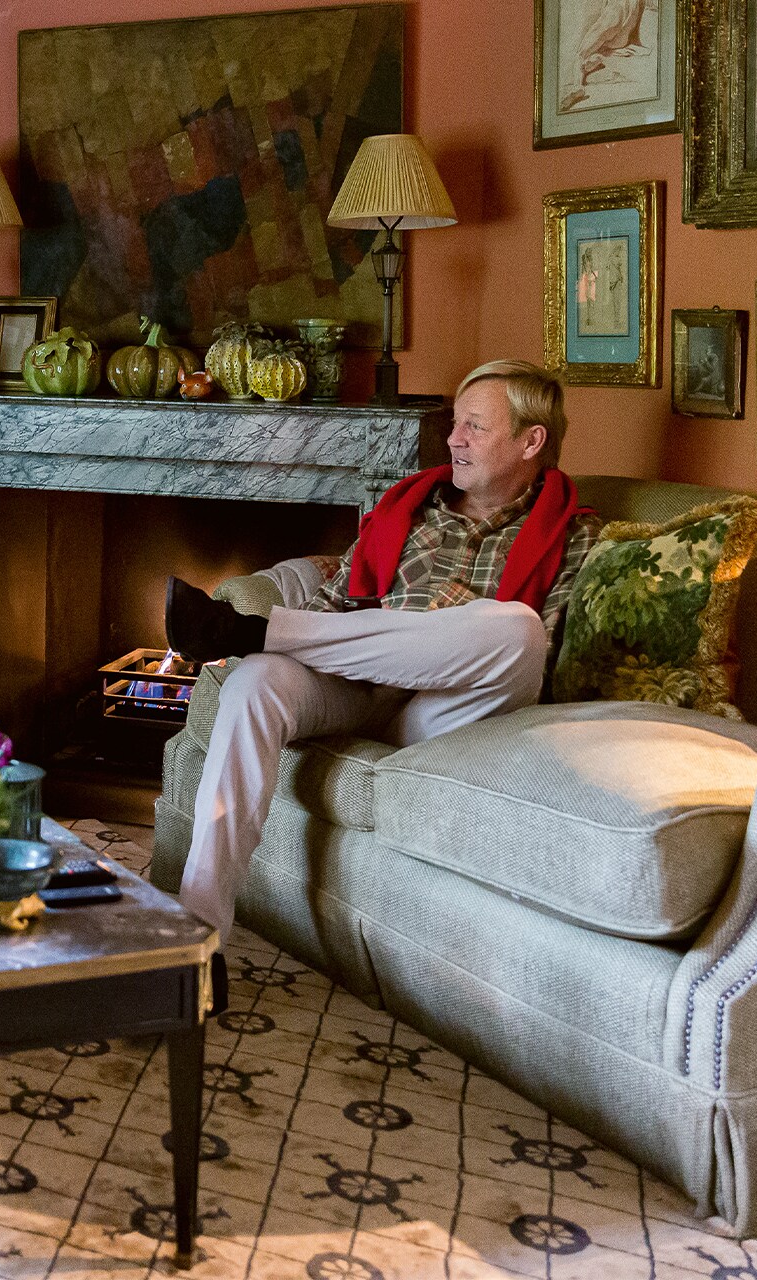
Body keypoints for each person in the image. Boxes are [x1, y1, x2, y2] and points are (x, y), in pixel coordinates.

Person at [163, 360, 601, 1000]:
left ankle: (258, 630)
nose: (453, 439)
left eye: (474, 427)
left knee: (518, 629)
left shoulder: (575, 533)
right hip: (355, 686)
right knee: (253, 683)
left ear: (531, 441)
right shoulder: (409, 508)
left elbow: (549, 658)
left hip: (447, 712)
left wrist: (442, 625)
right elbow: (336, 604)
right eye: (455, 424)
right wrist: (363, 640)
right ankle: (195, 942)